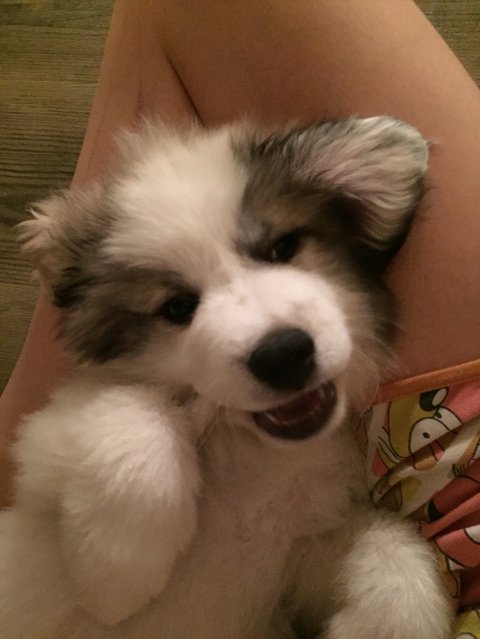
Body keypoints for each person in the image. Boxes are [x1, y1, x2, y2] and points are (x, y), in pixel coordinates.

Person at [1, 1, 479, 635]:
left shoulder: (346, 451)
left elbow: (312, 556)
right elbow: (45, 460)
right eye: (177, 307)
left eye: (280, 248)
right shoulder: (119, 406)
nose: (261, 325)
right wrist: (132, 456)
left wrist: (398, 593)